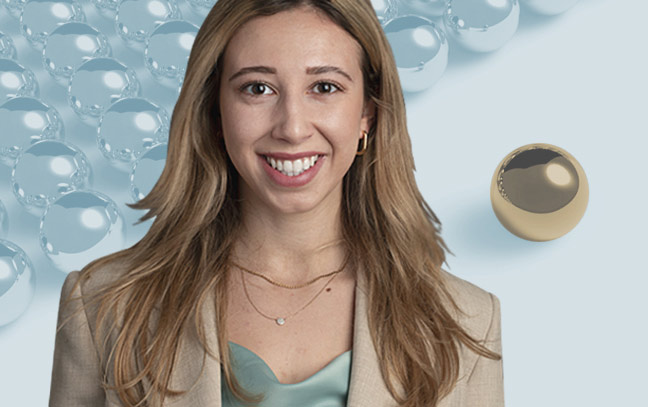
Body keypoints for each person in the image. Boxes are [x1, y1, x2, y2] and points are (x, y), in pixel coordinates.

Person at [49, 0, 504, 406]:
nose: (291, 127)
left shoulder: (466, 321)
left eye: (324, 87)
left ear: (368, 114)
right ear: (214, 113)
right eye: (257, 88)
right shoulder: (103, 306)